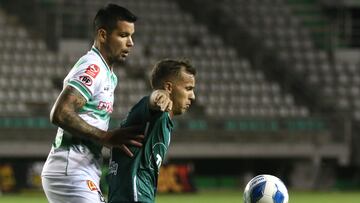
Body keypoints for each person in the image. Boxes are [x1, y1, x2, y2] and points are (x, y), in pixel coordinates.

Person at [41, 4, 172, 203]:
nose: (130, 43)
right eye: (123, 35)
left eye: (131, 36)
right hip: (71, 170)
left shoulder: (108, 74)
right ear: (102, 35)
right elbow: (60, 113)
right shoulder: (93, 67)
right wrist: (106, 137)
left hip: (82, 170)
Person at [107, 59, 196, 203]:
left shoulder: (164, 122)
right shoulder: (155, 113)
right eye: (188, 88)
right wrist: (160, 96)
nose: (193, 96)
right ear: (169, 87)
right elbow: (152, 101)